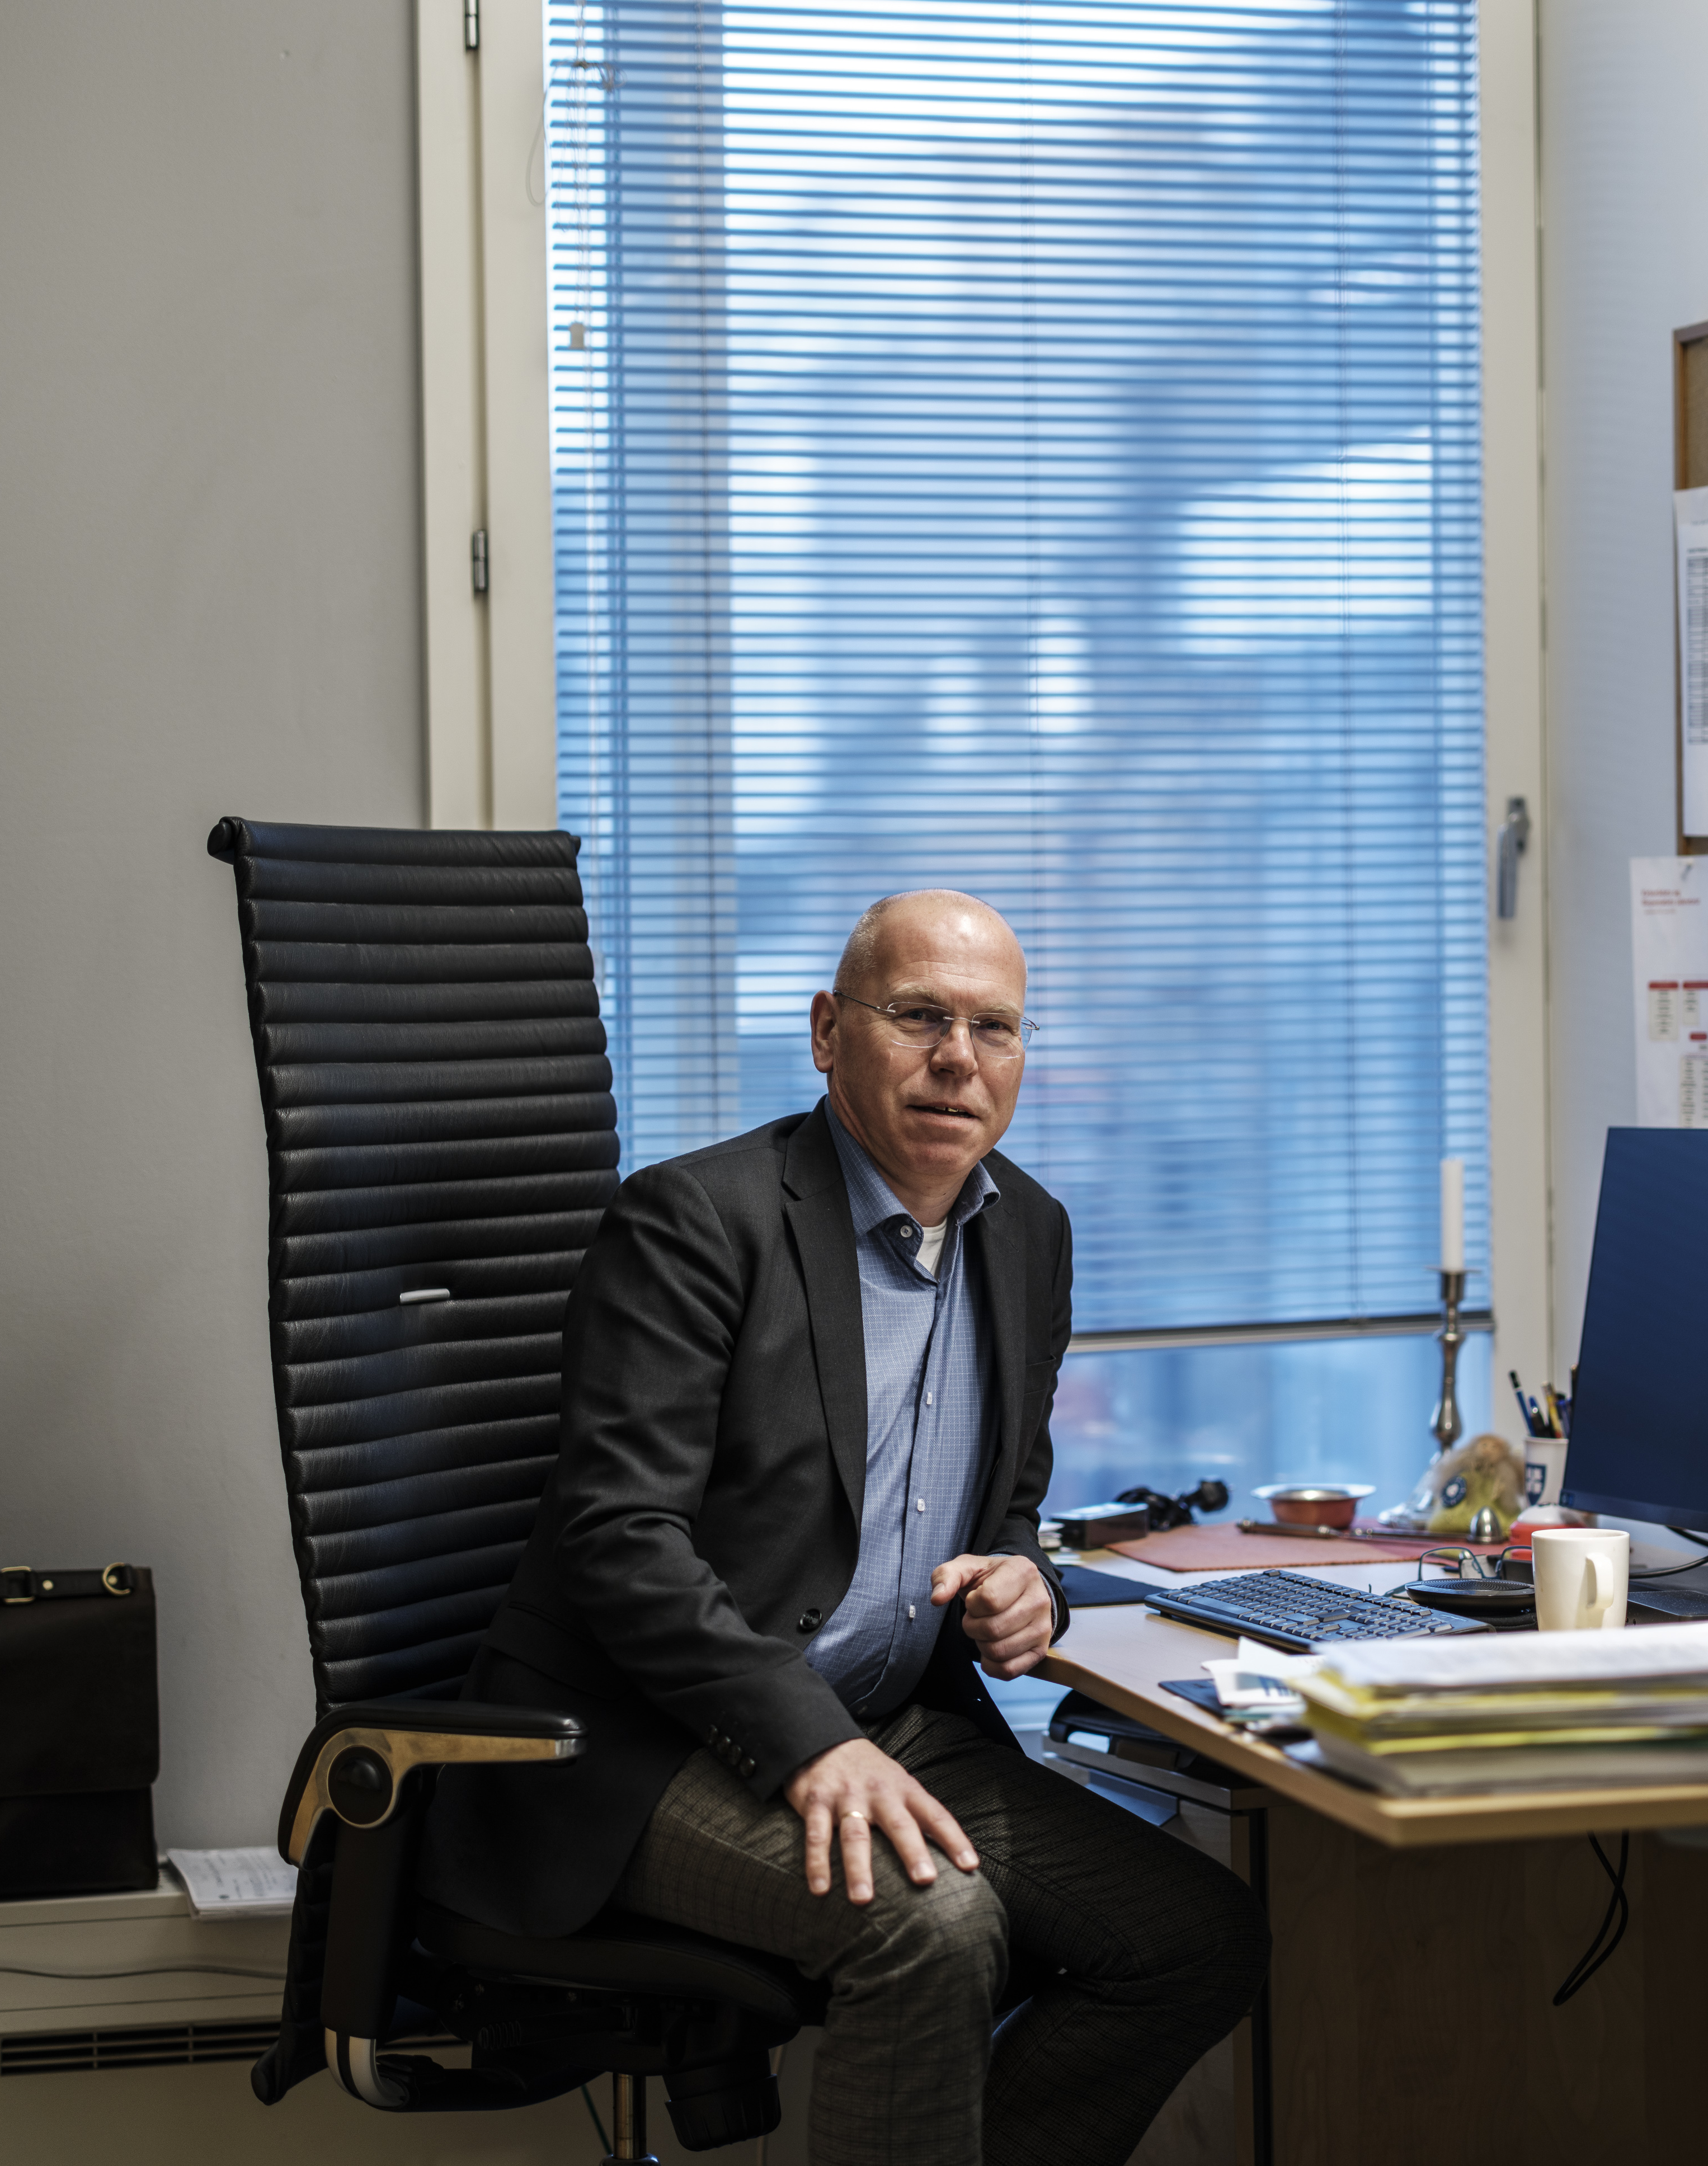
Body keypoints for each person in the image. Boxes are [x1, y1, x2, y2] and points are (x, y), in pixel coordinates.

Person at [425, 889, 1265, 2166]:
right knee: (928, 1926)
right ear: (826, 1032)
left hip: (893, 1721)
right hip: (646, 1747)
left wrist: (1023, 1579)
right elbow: (620, 1538)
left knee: (1191, 1939)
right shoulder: (695, 1222)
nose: (957, 1058)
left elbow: (1013, 1504)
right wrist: (810, 1740)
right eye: (918, 1015)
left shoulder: (1026, 1232)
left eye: (993, 1028)